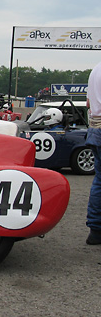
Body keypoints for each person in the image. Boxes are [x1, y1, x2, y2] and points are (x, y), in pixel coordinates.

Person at [86, 61, 101, 245]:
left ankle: (96, 229)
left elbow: (89, 102)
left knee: (99, 180)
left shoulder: (96, 69)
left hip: (95, 128)